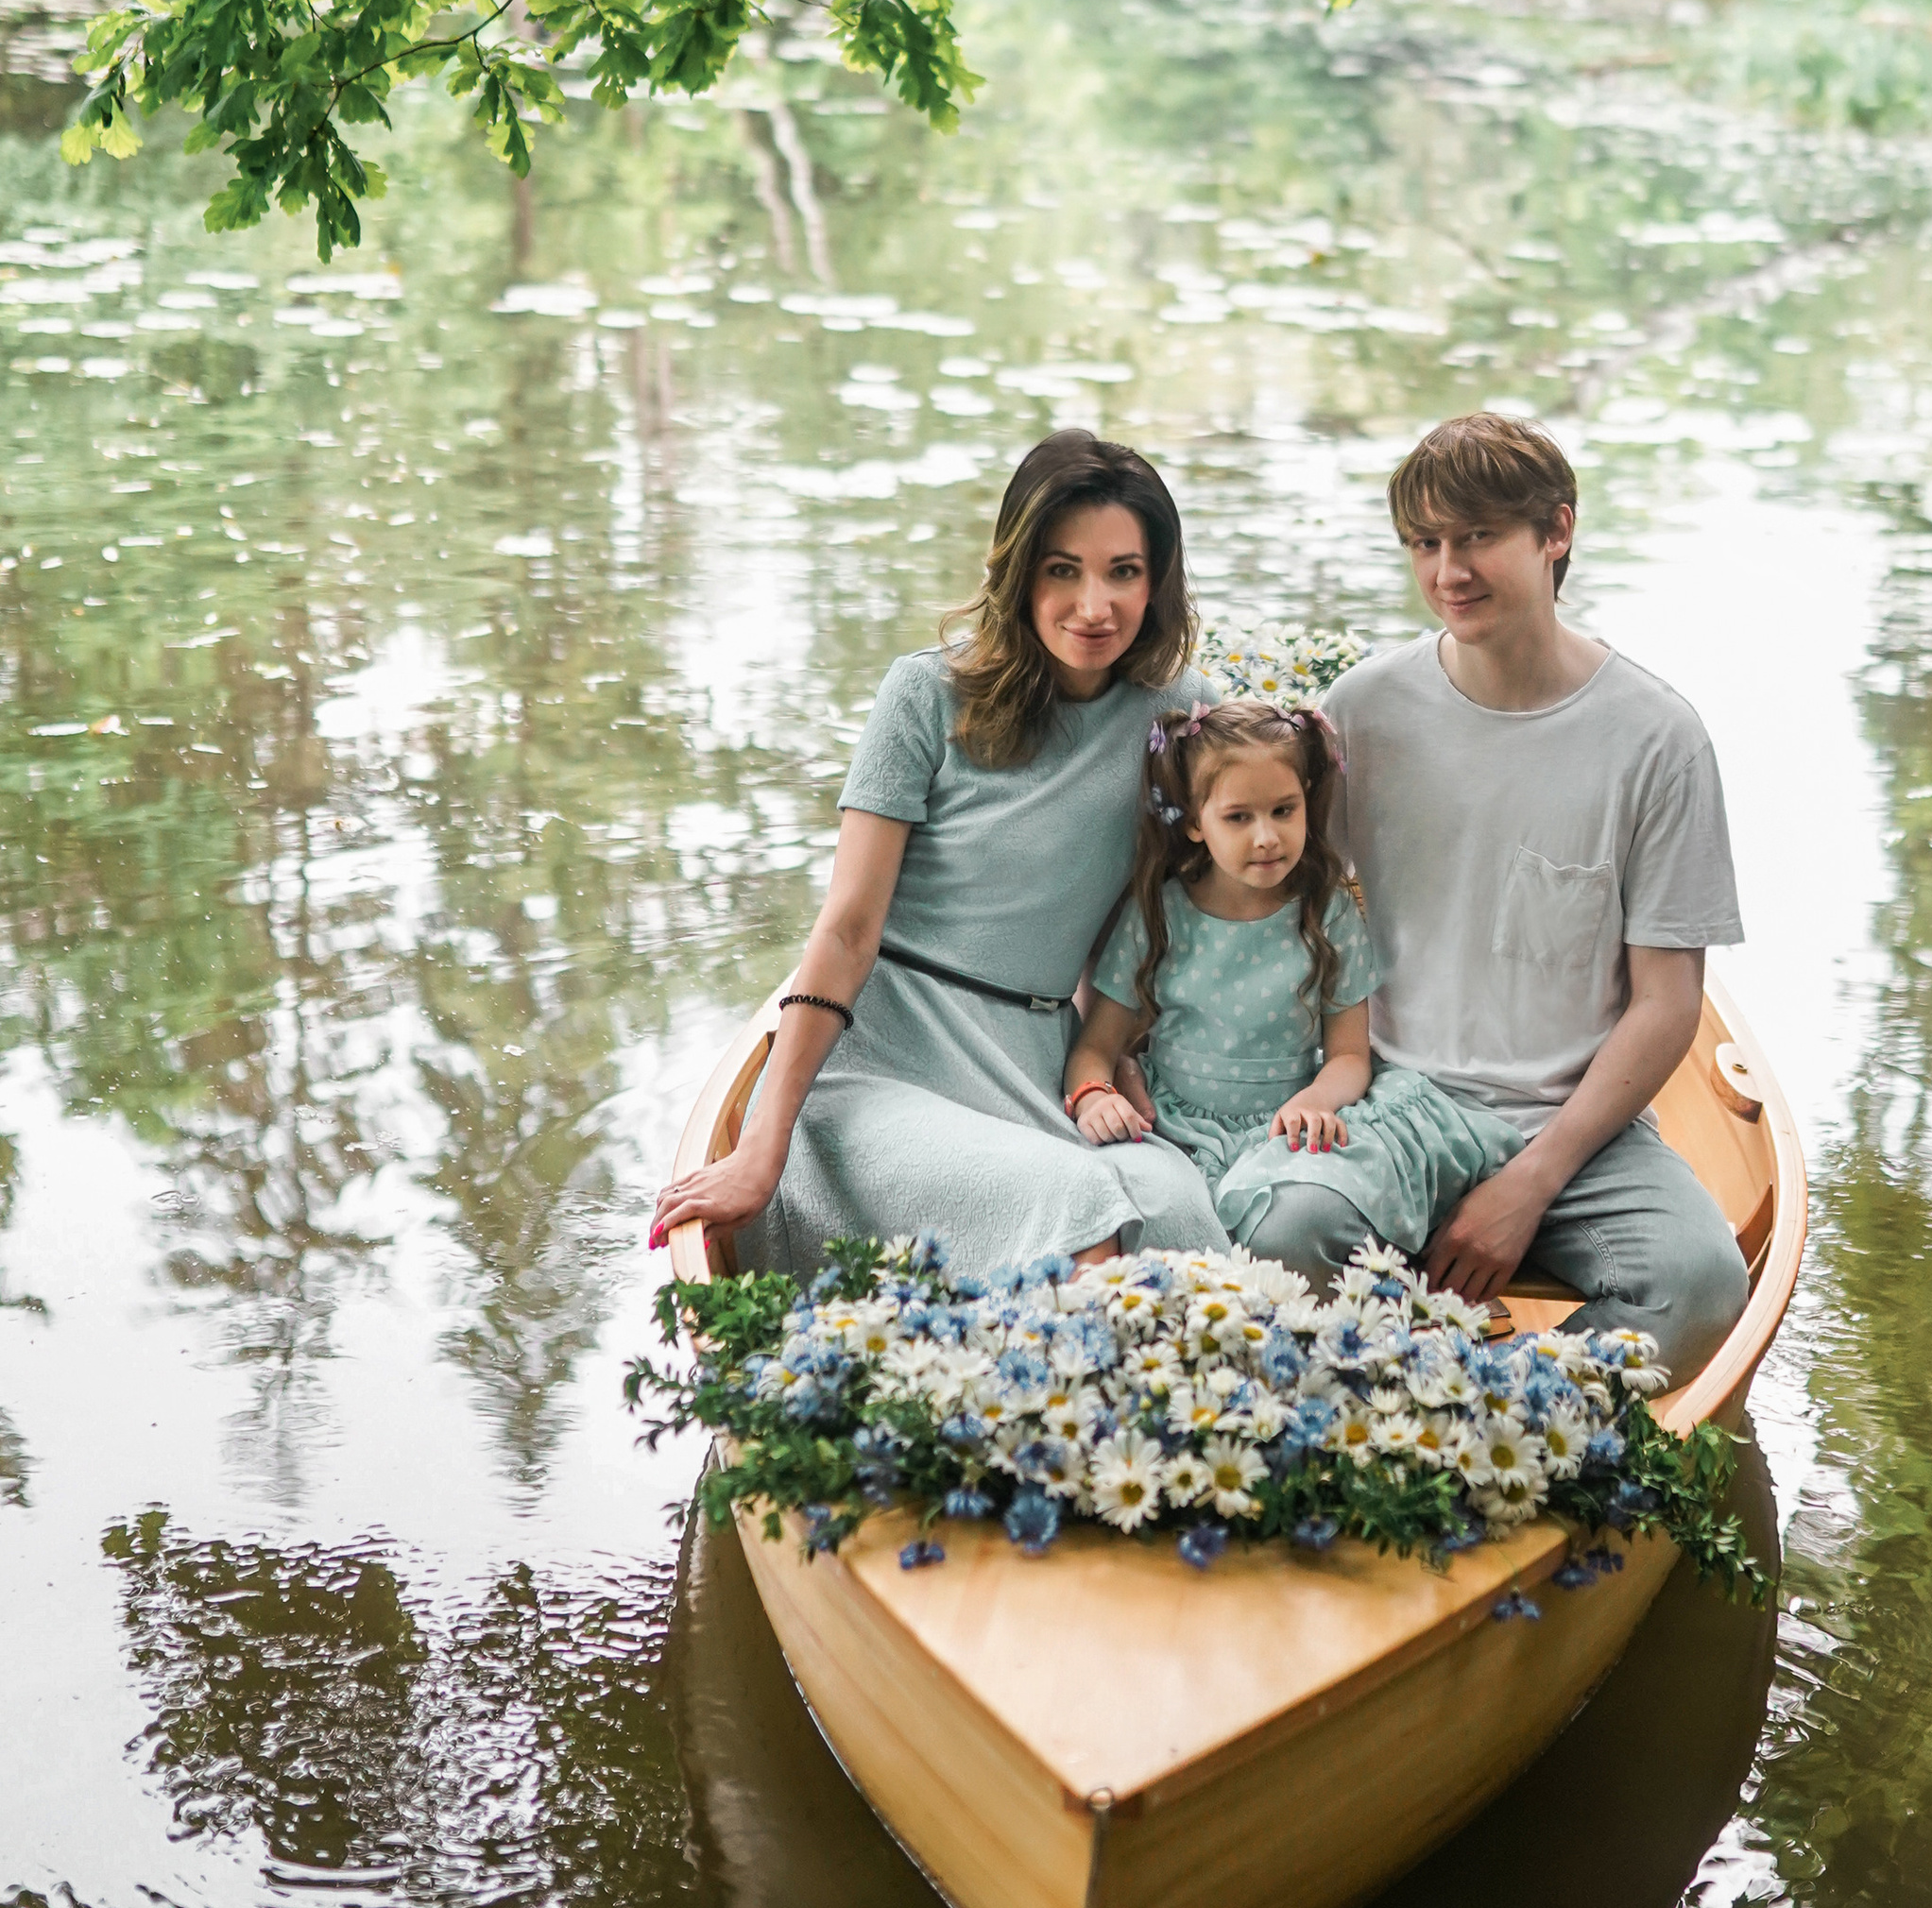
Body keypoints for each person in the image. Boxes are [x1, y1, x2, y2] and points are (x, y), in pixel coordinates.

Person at [1234, 412, 1751, 1386]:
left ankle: (1494, 1418)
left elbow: (1667, 1004)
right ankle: (1403, 1384)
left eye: (1476, 538)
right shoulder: (1363, 712)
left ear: (1554, 531)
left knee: (1700, 1283)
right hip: (1395, 1104)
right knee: (1282, 1227)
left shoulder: (1656, 739)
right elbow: (1275, 917)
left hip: (1577, 1130)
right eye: (1424, 544)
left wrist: (1531, 1181)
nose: (1447, 573)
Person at [648, 431, 1221, 1283]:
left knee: (1176, 1206)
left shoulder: (1180, 714)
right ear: (1018, 570)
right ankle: (1043, 1410)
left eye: (1123, 572)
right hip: (880, 1059)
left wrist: (1113, 1051)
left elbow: (1157, 917)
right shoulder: (923, 694)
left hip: (1039, 1064)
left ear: (1157, 580)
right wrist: (759, 1151)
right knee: (1069, 1205)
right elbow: (844, 931)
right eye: (1062, 570)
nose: (1093, 605)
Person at [1061, 700, 1502, 1252]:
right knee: (1135, 1219)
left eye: (1283, 811)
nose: (1267, 837)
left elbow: (1348, 1056)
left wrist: (1317, 1100)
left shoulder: (1325, 911)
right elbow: (1094, 1048)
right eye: (1238, 817)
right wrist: (1095, 1096)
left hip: (1289, 1120)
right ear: (1196, 822)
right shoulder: (1159, 912)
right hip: (1173, 1125)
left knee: (1295, 1222)